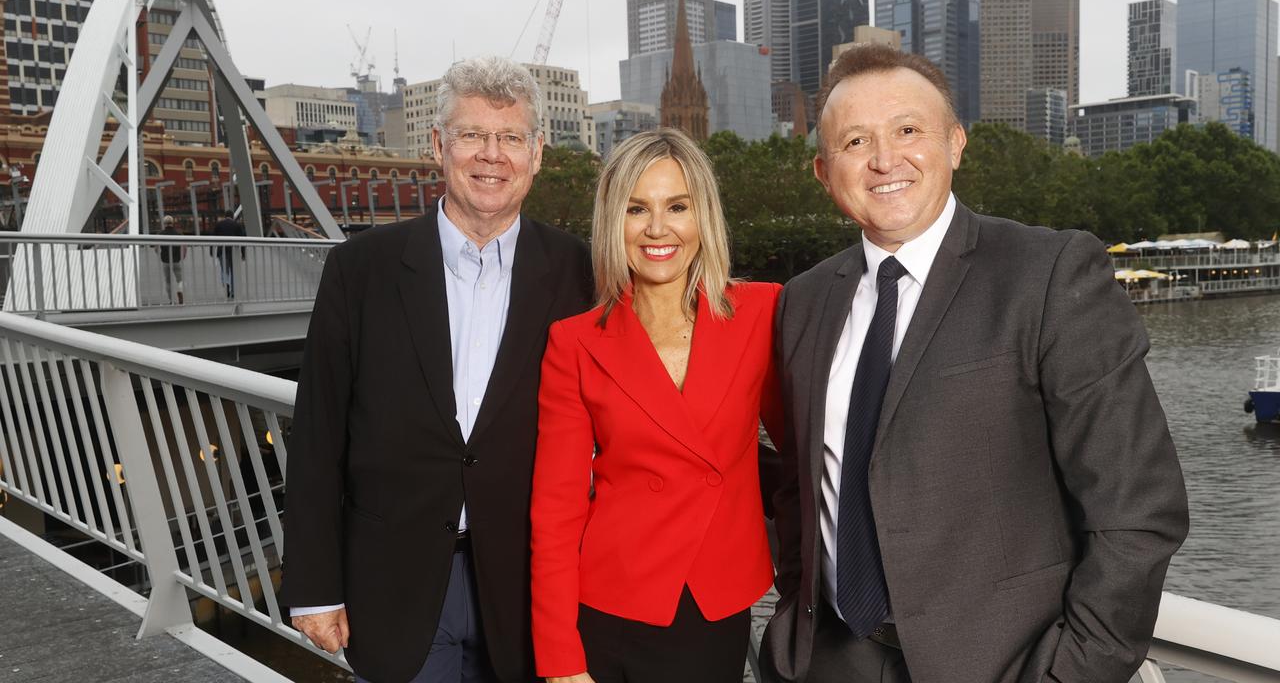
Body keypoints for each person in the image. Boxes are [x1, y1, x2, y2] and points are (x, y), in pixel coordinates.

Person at [761, 44, 1189, 683]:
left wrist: (1067, 675)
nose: (885, 160)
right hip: (832, 660)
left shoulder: (1049, 273)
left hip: (1003, 665)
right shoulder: (803, 301)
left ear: (955, 144)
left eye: (909, 131)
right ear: (824, 173)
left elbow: (1137, 508)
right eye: (855, 142)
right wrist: (795, 633)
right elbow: (804, 487)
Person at [280, 57, 593, 683]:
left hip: (532, 585)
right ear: (437, 146)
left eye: (510, 138)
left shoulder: (580, 272)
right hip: (393, 582)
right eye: (473, 135)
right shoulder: (360, 271)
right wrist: (313, 586)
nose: (491, 155)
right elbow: (317, 436)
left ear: (537, 155)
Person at [530, 128, 783, 683]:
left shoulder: (763, 313)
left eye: (678, 207)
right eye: (636, 209)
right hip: (611, 603)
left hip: (713, 601)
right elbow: (556, 512)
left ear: (703, 217)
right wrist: (561, 659)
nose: (657, 229)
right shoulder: (575, 342)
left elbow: (808, 446)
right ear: (611, 222)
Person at [211, 209, 245, 298]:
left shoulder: (219, 224)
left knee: (224, 270)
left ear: (225, 216)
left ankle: (226, 284)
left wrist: (212, 251)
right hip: (233, 251)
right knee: (233, 272)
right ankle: (233, 292)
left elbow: (213, 238)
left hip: (222, 251)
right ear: (233, 216)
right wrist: (243, 254)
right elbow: (242, 240)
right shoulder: (237, 225)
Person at [158, 214, 185, 304]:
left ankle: (171, 300)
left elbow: (155, 248)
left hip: (165, 260)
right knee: (180, 279)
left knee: (168, 281)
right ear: (172, 223)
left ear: (164, 223)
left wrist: (160, 254)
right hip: (176, 260)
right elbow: (184, 246)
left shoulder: (160, 234)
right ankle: (180, 290)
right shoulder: (178, 233)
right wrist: (183, 255)